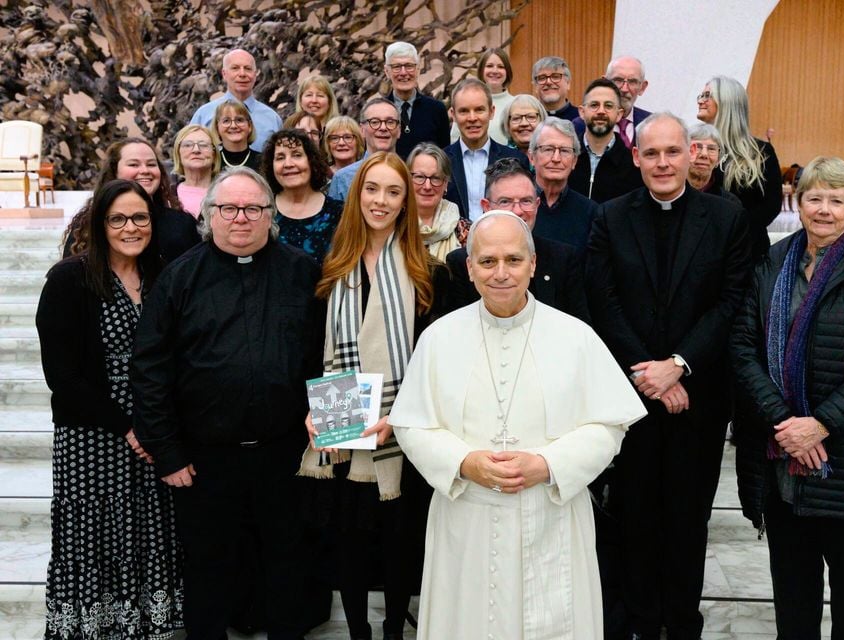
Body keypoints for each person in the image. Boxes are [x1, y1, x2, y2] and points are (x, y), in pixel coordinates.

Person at [390, 210, 647, 640]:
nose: (501, 273)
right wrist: (465, 461)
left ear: (533, 264)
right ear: (469, 268)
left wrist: (548, 464)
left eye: (513, 260)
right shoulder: (438, 338)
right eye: (487, 261)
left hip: (551, 513)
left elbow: (609, 426)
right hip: (466, 517)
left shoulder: (576, 336)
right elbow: (412, 426)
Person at [131, 167, 321, 640]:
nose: (241, 218)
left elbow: (328, 353)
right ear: (209, 215)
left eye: (253, 208)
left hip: (287, 454)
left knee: (288, 563)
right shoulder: (180, 278)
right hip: (206, 459)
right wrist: (168, 452)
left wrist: (331, 432)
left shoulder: (303, 272)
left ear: (269, 216)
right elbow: (150, 370)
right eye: (229, 208)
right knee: (209, 572)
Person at [731, 156, 844, 640]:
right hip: (784, 472)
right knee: (794, 608)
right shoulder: (770, 264)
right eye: (815, 198)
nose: (825, 210)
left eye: (837, 200)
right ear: (799, 202)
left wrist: (821, 424)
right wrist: (785, 422)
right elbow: (742, 348)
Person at [586, 113, 751, 640]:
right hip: (631, 399)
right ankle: (636, 623)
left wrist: (678, 365)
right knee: (634, 516)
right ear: (636, 157)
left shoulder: (726, 219)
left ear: (692, 155)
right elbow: (604, 302)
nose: (662, 163)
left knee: (687, 520)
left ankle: (682, 623)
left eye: (672, 152)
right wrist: (649, 373)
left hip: (696, 399)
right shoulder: (609, 217)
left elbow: (731, 302)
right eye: (651, 153)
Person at [301, 151, 449, 640]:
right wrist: (311, 412)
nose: (380, 201)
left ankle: (391, 632)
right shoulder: (329, 269)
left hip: (401, 430)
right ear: (356, 194)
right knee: (349, 540)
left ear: (406, 201)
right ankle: (359, 631)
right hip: (343, 425)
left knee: (398, 539)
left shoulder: (428, 273)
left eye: (393, 191)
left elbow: (434, 362)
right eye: (371, 189)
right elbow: (310, 351)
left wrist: (399, 416)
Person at [38, 179, 183, 639]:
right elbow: (62, 376)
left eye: (140, 217)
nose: (130, 227)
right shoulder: (69, 279)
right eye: (117, 218)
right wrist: (126, 427)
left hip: (153, 428)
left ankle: (148, 626)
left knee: (147, 527)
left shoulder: (163, 274)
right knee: (97, 533)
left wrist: (156, 426)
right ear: (100, 224)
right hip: (92, 437)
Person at [446, 158, 589, 322]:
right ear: (486, 207)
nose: (517, 211)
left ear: (536, 205)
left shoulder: (563, 259)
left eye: (526, 201)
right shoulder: (459, 263)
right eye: (505, 201)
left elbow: (578, 328)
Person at [62, 137, 200, 262]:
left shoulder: (183, 224)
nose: (145, 170)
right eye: (134, 165)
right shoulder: (89, 224)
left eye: (151, 164)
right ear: (114, 171)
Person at [697, 75, 781, 262]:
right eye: (701, 95)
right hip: (699, 248)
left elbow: (771, 204)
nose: (701, 100)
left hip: (745, 251)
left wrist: (735, 231)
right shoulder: (690, 147)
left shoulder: (760, 152)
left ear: (727, 101)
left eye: (707, 95)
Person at [444, 78, 527, 221]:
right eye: (464, 111)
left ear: (491, 112)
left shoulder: (515, 160)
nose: (472, 118)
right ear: (453, 114)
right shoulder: (441, 161)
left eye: (479, 110)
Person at [263, 128, 344, 263]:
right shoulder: (261, 211)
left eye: (297, 155)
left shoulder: (340, 213)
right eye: (280, 157)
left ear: (311, 161)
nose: (288, 164)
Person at [190, 48, 282, 151]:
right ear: (224, 74)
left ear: (255, 74)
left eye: (248, 68)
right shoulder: (204, 115)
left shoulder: (272, 119)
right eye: (235, 68)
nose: (242, 74)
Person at [528, 117, 597, 252]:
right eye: (548, 149)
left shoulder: (590, 212)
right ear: (532, 157)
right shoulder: (517, 206)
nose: (556, 159)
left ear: (574, 161)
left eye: (565, 151)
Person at [569, 78, 643, 203]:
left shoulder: (633, 166)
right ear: (582, 112)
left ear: (619, 114)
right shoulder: (566, 157)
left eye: (608, 106)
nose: (601, 111)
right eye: (594, 105)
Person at [383, 41, 450, 159]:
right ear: (387, 72)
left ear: (418, 70)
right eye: (397, 67)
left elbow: (444, 156)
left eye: (409, 66)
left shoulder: (436, 109)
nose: (403, 73)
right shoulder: (377, 110)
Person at [328, 98, 402, 200]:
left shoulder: (413, 175)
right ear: (362, 130)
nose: (383, 127)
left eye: (390, 122)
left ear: (399, 130)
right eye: (375, 122)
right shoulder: (343, 179)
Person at [573, 56, 652, 147]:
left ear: (642, 87)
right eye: (618, 80)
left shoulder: (651, 124)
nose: (624, 89)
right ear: (604, 83)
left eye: (632, 81)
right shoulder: (579, 126)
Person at [406, 142, 464, 259]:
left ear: (446, 183)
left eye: (436, 178)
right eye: (419, 177)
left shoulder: (463, 230)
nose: (427, 186)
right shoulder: (394, 224)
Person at [452, 47, 515, 145]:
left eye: (501, 67)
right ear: (481, 70)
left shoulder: (516, 104)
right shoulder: (466, 102)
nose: (495, 71)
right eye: (489, 66)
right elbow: (455, 138)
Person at [172, 124, 220, 218]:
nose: (196, 150)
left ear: (214, 154)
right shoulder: (167, 195)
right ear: (178, 153)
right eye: (188, 145)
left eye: (203, 145)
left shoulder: (226, 192)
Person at [686, 123, 740, 204]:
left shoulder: (729, 202)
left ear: (718, 159)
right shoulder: (668, 195)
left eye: (711, 149)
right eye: (697, 147)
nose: (704, 154)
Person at [212, 99, 263, 171]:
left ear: (249, 126)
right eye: (226, 121)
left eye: (239, 120)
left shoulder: (264, 162)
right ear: (217, 128)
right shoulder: (211, 162)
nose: (233, 126)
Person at [532, 56, 578, 121]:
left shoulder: (582, 119)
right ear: (536, 86)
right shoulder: (529, 121)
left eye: (555, 77)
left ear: (568, 83)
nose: (548, 82)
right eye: (542, 78)